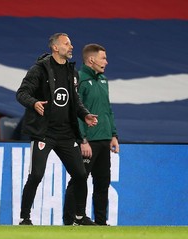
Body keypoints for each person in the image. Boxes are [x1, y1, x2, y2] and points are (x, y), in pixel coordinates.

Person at [16, 32, 98, 226]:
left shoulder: (72, 72)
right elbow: (21, 93)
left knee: (80, 174)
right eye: (67, 44)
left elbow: (74, 101)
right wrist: (34, 102)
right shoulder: (39, 70)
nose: (71, 47)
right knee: (36, 175)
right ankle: (24, 218)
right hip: (44, 133)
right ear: (55, 47)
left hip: (66, 133)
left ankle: (80, 216)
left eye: (70, 44)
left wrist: (84, 114)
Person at [63, 44, 119, 226]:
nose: (106, 62)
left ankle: (101, 223)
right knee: (79, 180)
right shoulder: (78, 79)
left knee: (102, 183)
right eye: (103, 58)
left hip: (104, 140)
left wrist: (113, 134)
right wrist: (82, 140)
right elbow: (75, 112)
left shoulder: (103, 80)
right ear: (91, 59)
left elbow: (107, 109)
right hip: (88, 141)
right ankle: (70, 220)